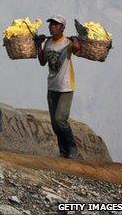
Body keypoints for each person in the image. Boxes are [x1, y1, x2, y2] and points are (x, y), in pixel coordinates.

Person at [34, 15, 81, 159]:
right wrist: (39, 44)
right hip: (52, 86)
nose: (52, 27)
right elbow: (42, 61)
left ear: (62, 28)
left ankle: (72, 147)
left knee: (60, 118)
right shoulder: (48, 42)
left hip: (66, 86)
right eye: (51, 24)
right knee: (55, 124)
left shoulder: (67, 43)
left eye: (55, 25)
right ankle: (63, 151)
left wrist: (75, 40)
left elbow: (77, 49)